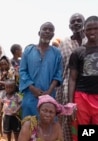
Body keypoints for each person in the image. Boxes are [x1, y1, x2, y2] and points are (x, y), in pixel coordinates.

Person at [19, 22, 63, 118]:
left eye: (50, 30)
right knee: (29, 126)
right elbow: (22, 71)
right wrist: (32, 88)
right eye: (45, 29)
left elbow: (58, 74)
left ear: (53, 35)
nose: (47, 31)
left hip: (49, 96)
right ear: (39, 33)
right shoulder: (28, 51)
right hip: (30, 96)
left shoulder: (57, 53)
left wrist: (49, 92)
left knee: (47, 127)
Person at [55, 13, 86, 141]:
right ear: (69, 26)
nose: (76, 23)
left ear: (84, 23)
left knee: (86, 120)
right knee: (68, 121)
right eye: (73, 21)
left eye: (79, 20)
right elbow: (60, 68)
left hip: (87, 89)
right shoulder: (64, 43)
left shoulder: (91, 41)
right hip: (67, 88)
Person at [68, 16, 98, 136]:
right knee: (84, 132)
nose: (92, 32)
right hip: (82, 97)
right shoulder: (77, 52)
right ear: (84, 31)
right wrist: (71, 103)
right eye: (89, 29)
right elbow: (72, 78)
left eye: (96, 28)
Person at [0, 55, 15, 138]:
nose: (3, 66)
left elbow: (12, 83)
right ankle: (1, 133)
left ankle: (10, 131)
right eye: (1, 64)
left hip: (10, 95)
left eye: (5, 64)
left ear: (8, 64)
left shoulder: (11, 70)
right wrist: (3, 78)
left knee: (11, 112)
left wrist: (0, 82)